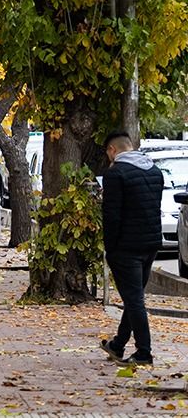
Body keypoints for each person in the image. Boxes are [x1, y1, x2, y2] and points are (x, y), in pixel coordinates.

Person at [99, 131, 163, 366]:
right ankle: (118, 344)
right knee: (133, 296)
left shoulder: (116, 174)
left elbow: (112, 215)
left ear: (112, 150)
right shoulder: (154, 172)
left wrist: (110, 247)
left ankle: (144, 352)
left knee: (134, 299)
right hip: (151, 244)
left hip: (125, 247)